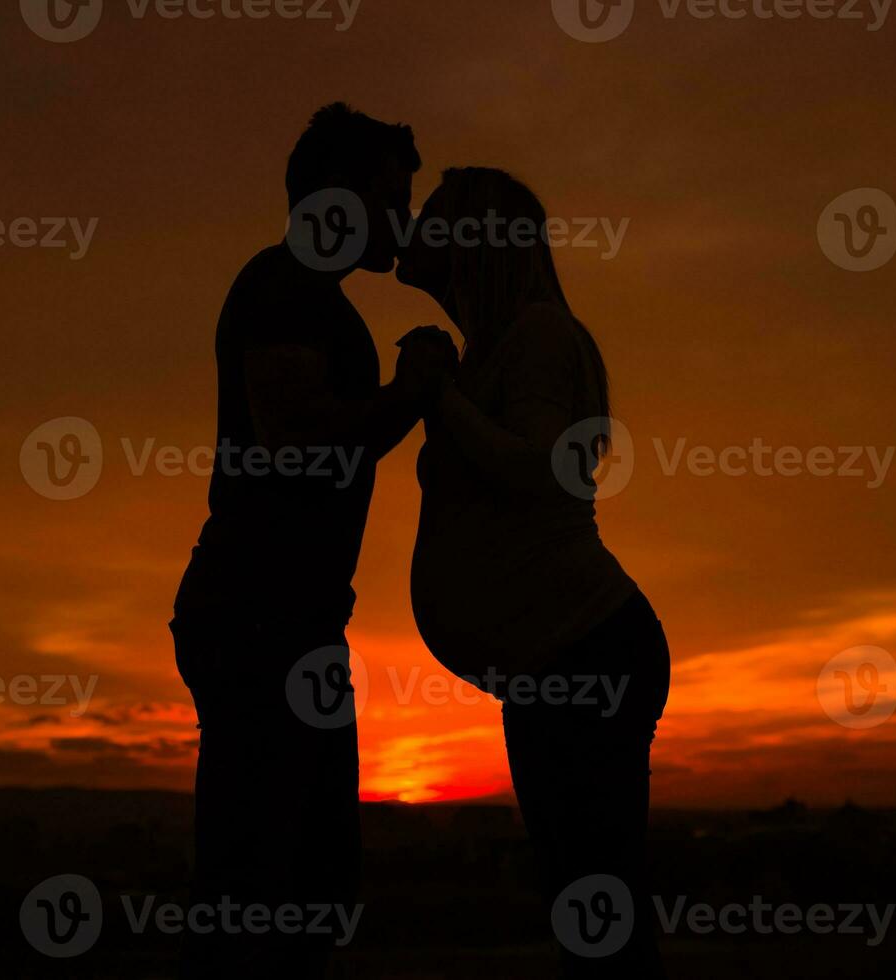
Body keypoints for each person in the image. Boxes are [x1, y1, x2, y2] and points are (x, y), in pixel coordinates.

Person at [170, 103, 440, 978]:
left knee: (313, 880)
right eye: (394, 199)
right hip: (257, 620)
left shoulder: (312, 300)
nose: (402, 222)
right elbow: (301, 440)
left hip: (300, 625)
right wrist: (414, 391)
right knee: (256, 885)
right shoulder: (279, 288)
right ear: (345, 198)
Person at [395, 167, 671, 978]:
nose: (415, 222)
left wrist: (437, 395)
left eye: (435, 213)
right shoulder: (498, 349)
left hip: (581, 653)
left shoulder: (539, 336)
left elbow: (542, 470)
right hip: (550, 666)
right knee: (584, 909)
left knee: (596, 911)